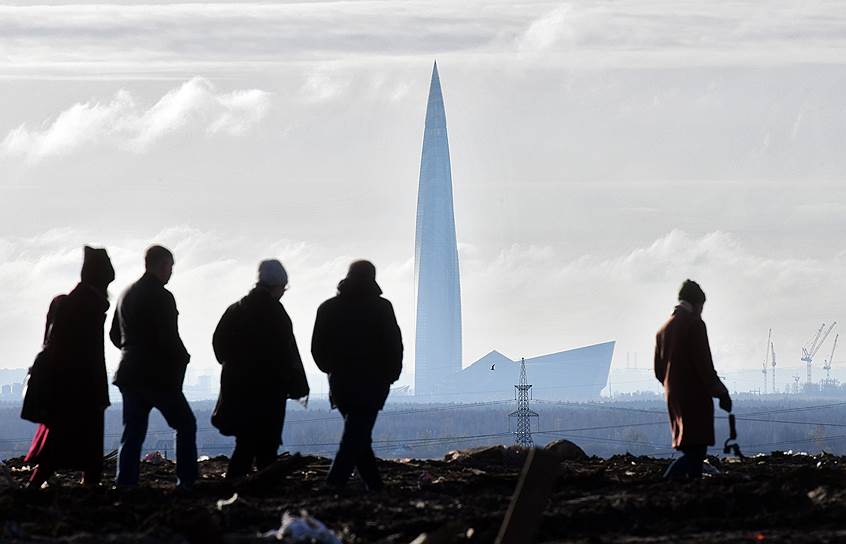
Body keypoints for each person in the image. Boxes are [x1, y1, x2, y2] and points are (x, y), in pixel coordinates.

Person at [24, 246, 115, 488]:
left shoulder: (70, 303)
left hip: (66, 389)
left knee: (57, 445)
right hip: (83, 389)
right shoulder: (89, 306)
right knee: (86, 448)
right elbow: (90, 355)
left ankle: (35, 485)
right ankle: (89, 488)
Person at [211, 259, 309, 479]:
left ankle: (235, 486)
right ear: (277, 286)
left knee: (244, 443)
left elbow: (219, 347)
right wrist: (293, 384)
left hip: (237, 389)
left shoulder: (235, 310)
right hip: (269, 392)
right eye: (283, 288)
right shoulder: (276, 313)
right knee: (267, 445)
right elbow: (287, 354)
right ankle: (263, 490)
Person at [110, 245, 197, 489]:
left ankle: (125, 483)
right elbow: (169, 336)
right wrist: (183, 357)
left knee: (133, 433)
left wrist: (132, 351)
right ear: (161, 265)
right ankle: (186, 481)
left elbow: (115, 335)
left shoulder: (126, 294)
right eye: (170, 267)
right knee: (185, 424)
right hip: (158, 376)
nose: (171, 272)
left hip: (130, 373)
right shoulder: (162, 296)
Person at [311, 260, 403, 491]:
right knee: (357, 434)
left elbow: (317, 348)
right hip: (374, 384)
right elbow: (395, 345)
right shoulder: (382, 307)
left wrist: (330, 369)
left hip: (341, 383)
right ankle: (335, 482)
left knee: (357, 434)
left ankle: (375, 485)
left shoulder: (328, 308)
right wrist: (390, 375)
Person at [654, 279, 732, 480]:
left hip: (674, 396)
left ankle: (688, 486)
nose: (702, 311)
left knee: (691, 449)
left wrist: (672, 385)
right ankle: (668, 484)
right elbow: (704, 365)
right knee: (696, 452)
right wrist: (721, 392)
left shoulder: (662, 330)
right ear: (697, 304)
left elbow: (658, 371)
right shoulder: (694, 325)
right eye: (702, 306)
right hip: (694, 396)